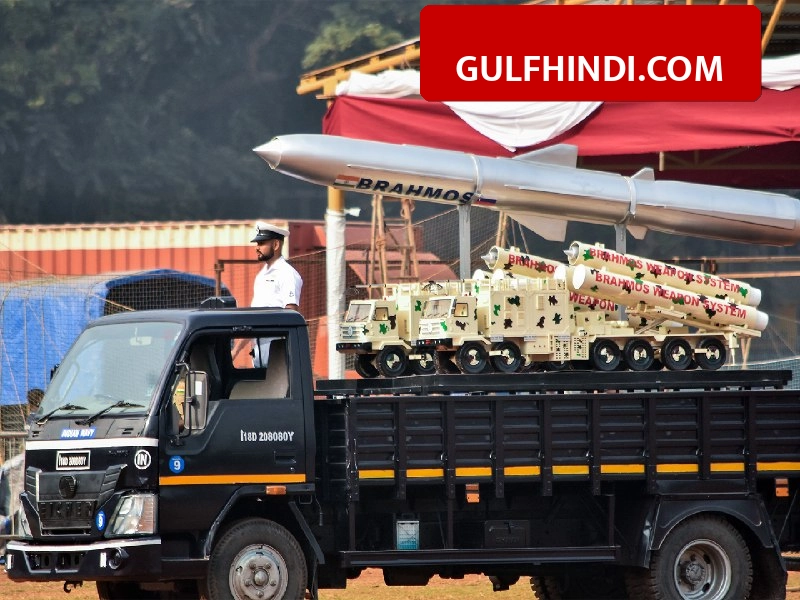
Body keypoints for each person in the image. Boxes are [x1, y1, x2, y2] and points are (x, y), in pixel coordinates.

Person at [233, 221, 303, 365]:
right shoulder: (261, 276)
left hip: (278, 354)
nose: (257, 248)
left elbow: (291, 313)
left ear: (276, 245)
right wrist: (235, 351)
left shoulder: (287, 274)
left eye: (261, 243)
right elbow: (254, 318)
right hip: (259, 353)